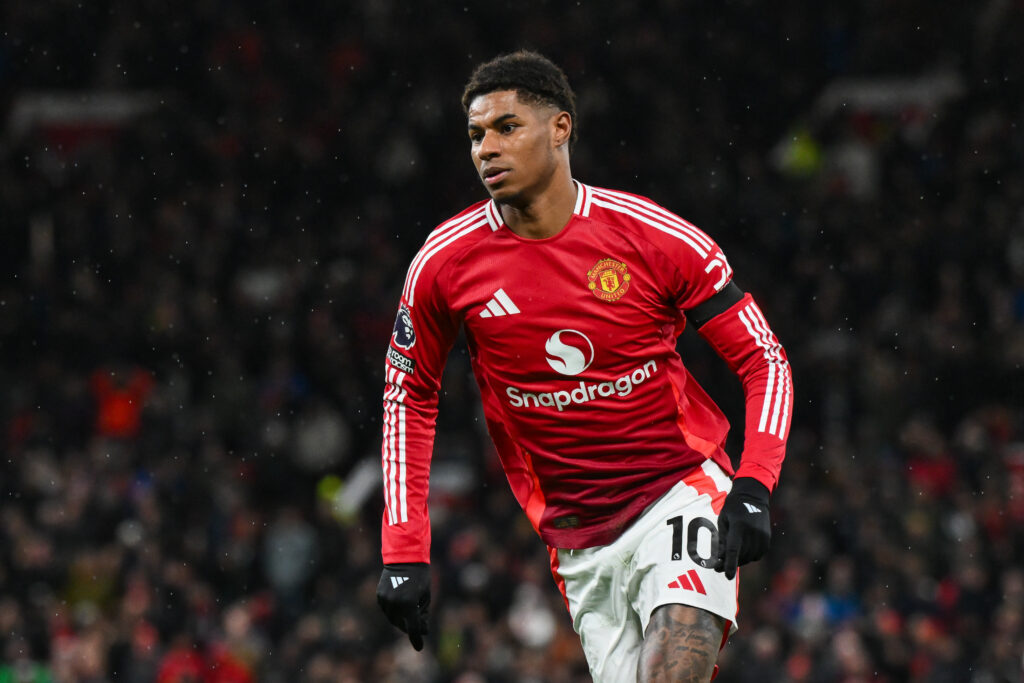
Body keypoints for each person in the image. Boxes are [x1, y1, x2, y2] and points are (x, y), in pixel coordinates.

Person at [376, 50, 793, 682]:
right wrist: (403, 549)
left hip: (677, 493)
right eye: (475, 135)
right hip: (577, 539)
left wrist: (756, 482)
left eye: (507, 127)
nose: (487, 147)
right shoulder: (445, 263)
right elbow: (408, 397)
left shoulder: (651, 237)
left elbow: (764, 358)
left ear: (561, 129)